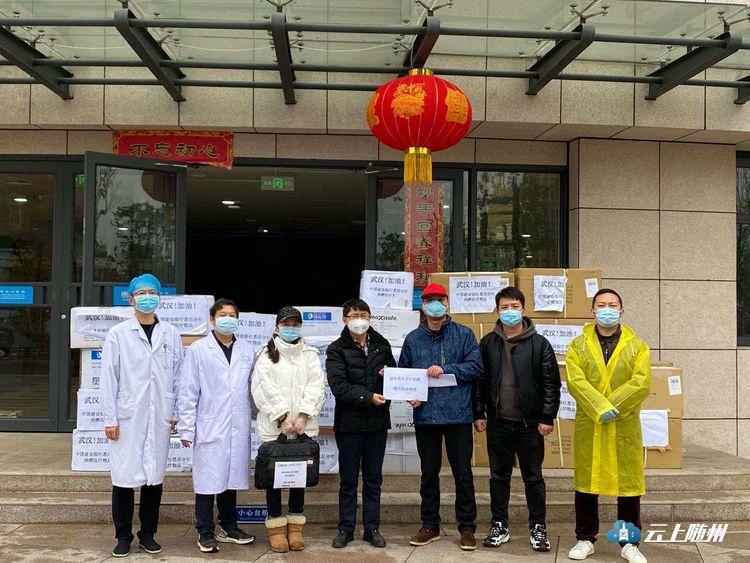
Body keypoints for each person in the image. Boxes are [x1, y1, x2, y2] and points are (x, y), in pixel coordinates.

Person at [100, 274, 183, 558]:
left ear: (159, 297)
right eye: (141, 293)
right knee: (123, 479)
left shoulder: (171, 333)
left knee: (153, 478)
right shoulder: (119, 334)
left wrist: (175, 413)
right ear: (131, 299)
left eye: (152, 292)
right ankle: (123, 536)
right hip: (127, 416)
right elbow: (109, 378)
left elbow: (178, 376)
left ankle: (148, 534)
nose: (147, 297)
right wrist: (110, 419)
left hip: (160, 415)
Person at [566, 289, 650, 563]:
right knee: (586, 484)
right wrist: (599, 407)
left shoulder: (637, 346)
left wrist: (610, 406)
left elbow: (641, 382)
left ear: (621, 310)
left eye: (612, 305)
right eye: (601, 305)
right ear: (592, 311)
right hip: (591, 424)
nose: (607, 309)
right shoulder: (577, 346)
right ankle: (585, 538)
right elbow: (575, 381)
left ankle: (629, 543)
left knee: (628, 487)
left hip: (623, 423)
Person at [474, 286, 561, 552]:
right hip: (498, 422)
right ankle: (499, 525)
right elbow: (478, 381)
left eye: (514, 306)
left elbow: (551, 383)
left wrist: (547, 417)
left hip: (530, 424)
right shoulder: (488, 343)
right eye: (504, 307)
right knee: (498, 477)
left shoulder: (540, 344)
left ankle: (538, 527)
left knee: (533, 477)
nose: (509, 311)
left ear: (523, 309)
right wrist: (479, 413)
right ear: (496, 310)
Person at [398, 282, 483, 551]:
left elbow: (476, 367)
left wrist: (445, 368)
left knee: (463, 474)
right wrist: (410, 394)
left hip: (458, 414)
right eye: (429, 300)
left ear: (447, 304)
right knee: (428, 474)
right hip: (426, 415)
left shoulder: (464, 335)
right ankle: (430, 525)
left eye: (439, 299)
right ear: (423, 306)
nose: (435, 305)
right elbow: (404, 373)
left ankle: (467, 528)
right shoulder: (413, 338)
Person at [178, 298, 256, 553]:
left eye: (232, 315)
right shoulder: (198, 350)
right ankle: (205, 531)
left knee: (230, 478)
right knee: (207, 481)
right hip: (209, 424)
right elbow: (188, 391)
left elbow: (253, 389)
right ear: (212, 319)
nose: (228, 319)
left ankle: (229, 527)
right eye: (223, 315)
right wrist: (187, 427)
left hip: (237, 424)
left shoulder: (246, 349)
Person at [251, 306, 325, 553]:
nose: (291, 328)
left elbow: (316, 385)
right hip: (275, 427)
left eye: (295, 324)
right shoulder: (265, 354)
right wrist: (282, 416)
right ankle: (275, 528)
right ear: (277, 327)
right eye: (286, 324)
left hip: (303, 427)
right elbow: (263, 388)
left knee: (298, 479)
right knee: (274, 478)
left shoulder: (310, 353)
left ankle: (295, 528)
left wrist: (304, 415)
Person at [326, 298, 396, 549]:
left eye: (363, 315)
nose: (359, 320)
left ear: (370, 317)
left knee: (373, 479)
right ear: (345, 320)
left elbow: (395, 378)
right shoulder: (336, 349)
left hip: (377, 423)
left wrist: (389, 377)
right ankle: (345, 529)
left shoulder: (381, 344)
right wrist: (368, 398)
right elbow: (339, 386)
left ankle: (371, 528)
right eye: (354, 316)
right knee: (348, 480)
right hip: (349, 425)